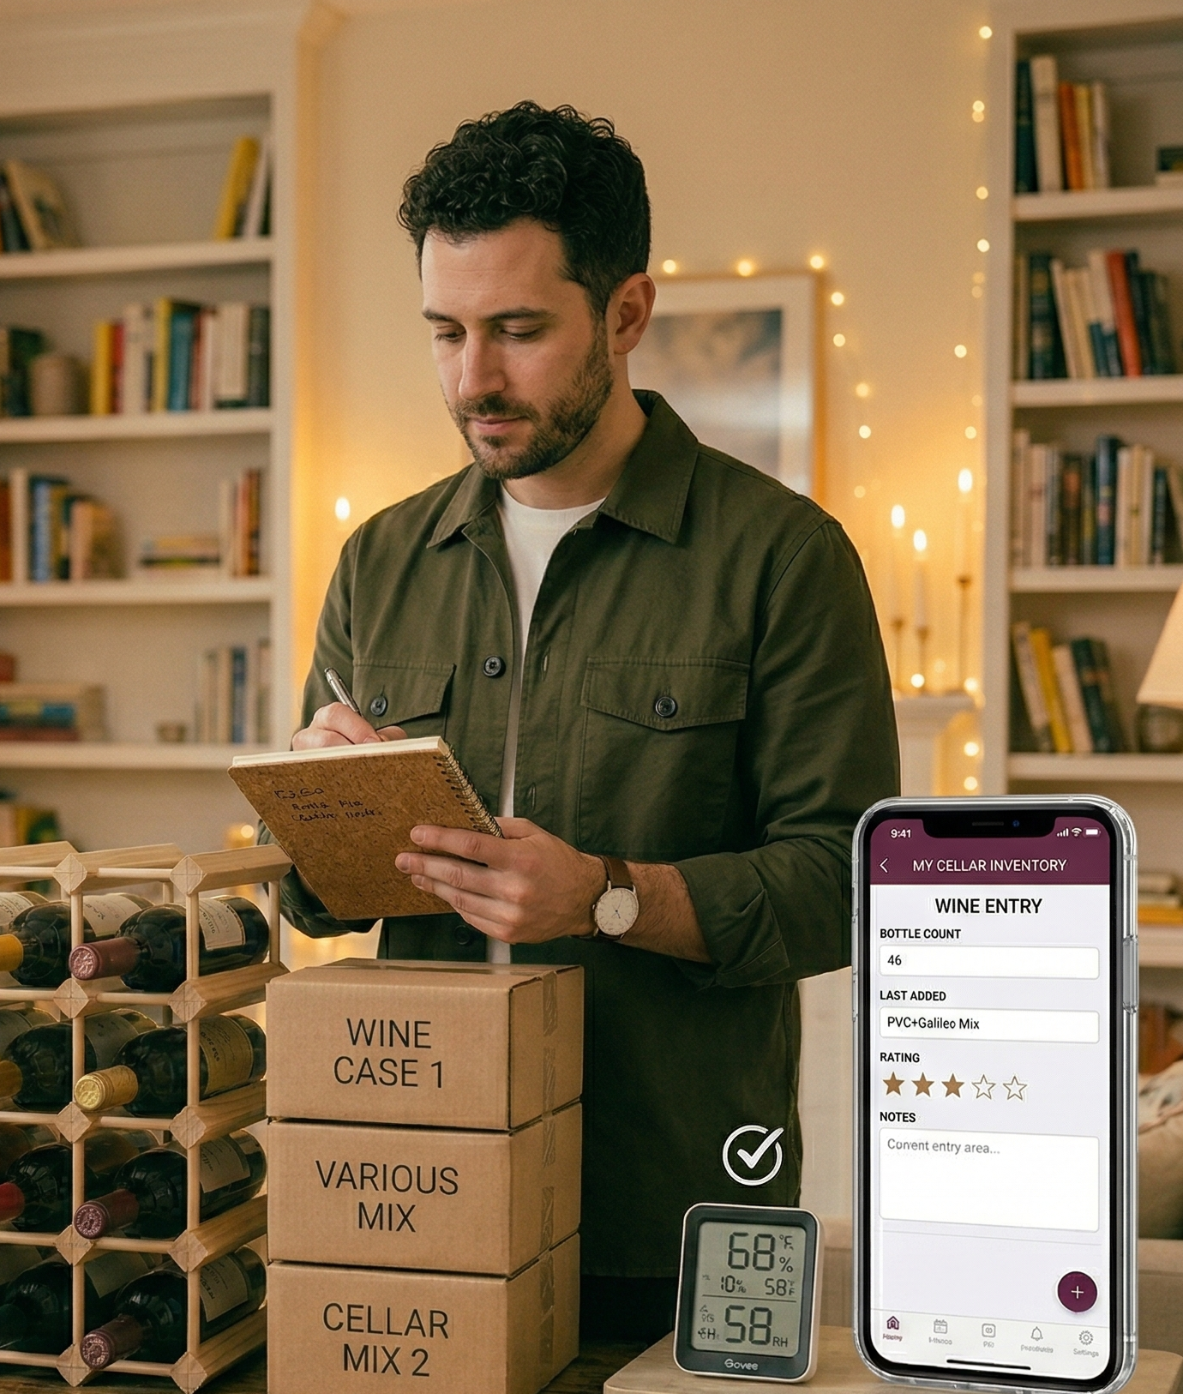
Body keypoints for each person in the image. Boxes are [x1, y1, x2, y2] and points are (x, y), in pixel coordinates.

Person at [281, 102, 899, 1341]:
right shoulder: (376, 561)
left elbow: (848, 884)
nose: (471, 379)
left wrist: (603, 895)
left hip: (679, 1209)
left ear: (624, 312)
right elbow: (318, 903)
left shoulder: (782, 557)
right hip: (421, 1199)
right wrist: (314, 809)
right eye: (445, 332)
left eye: (516, 330)